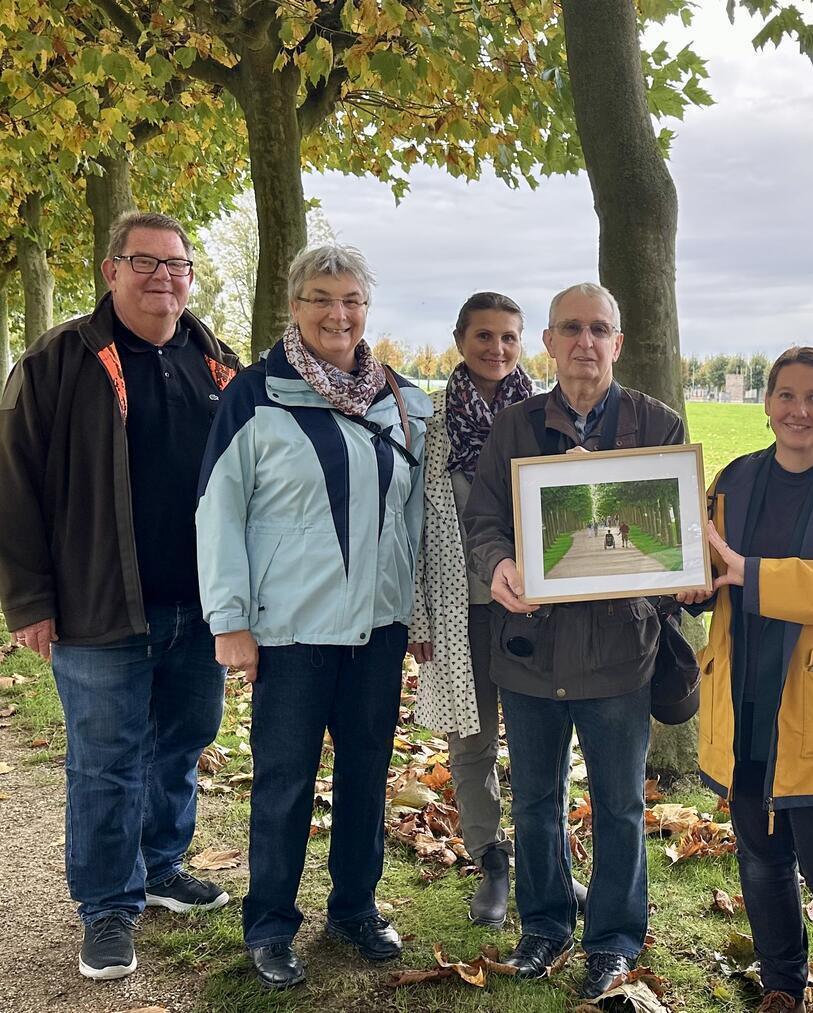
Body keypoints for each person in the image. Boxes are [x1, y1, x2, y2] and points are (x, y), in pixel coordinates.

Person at [0, 212, 239, 980]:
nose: (164, 276)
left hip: (202, 606)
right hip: (98, 603)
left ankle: (162, 864)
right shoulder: (58, 360)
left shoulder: (217, 361)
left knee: (184, 737)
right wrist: (28, 599)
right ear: (111, 270)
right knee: (106, 760)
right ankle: (106, 904)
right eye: (146, 262)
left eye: (177, 264)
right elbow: (12, 487)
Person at [196, 245, 430, 990]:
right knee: (286, 779)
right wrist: (229, 618)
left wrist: (418, 611)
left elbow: (419, 517)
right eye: (322, 298)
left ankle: (355, 907)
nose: (339, 313)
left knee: (366, 772)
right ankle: (270, 922)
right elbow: (218, 508)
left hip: (379, 628)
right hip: (290, 631)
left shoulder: (400, 397)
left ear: (369, 306)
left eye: (353, 299)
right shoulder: (256, 393)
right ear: (294, 306)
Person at [463, 282, 683, 1000]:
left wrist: (648, 562)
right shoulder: (516, 427)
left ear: (617, 343)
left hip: (620, 652)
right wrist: (498, 563)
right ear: (550, 343)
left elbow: (671, 540)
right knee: (535, 799)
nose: (585, 342)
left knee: (619, 802)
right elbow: (487, 519)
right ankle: (545, 925)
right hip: (530, 651)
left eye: (599, 329)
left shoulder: (658, 425)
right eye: (570, 329)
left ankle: (614, 940)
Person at [676, 347, 813, 1013]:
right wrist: (690, 588)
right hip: (744, 698)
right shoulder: (733, 481)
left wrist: (754, 573)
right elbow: (707, 573)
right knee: (761, 855)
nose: (799, 410)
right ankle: (782, 985)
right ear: (767, 404)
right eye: (786, 396)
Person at [407, 291, 566, 928]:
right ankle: (490, 862)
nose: (496, 349)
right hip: (457, 605)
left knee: (539, 742)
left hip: (535, 608)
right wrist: (419, 618)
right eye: (483, 337)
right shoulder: (431, 418)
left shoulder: (544, 417)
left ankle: (545, 863)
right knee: (470, 742)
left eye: (508, 337)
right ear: (460, 339)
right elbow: (412, 520)